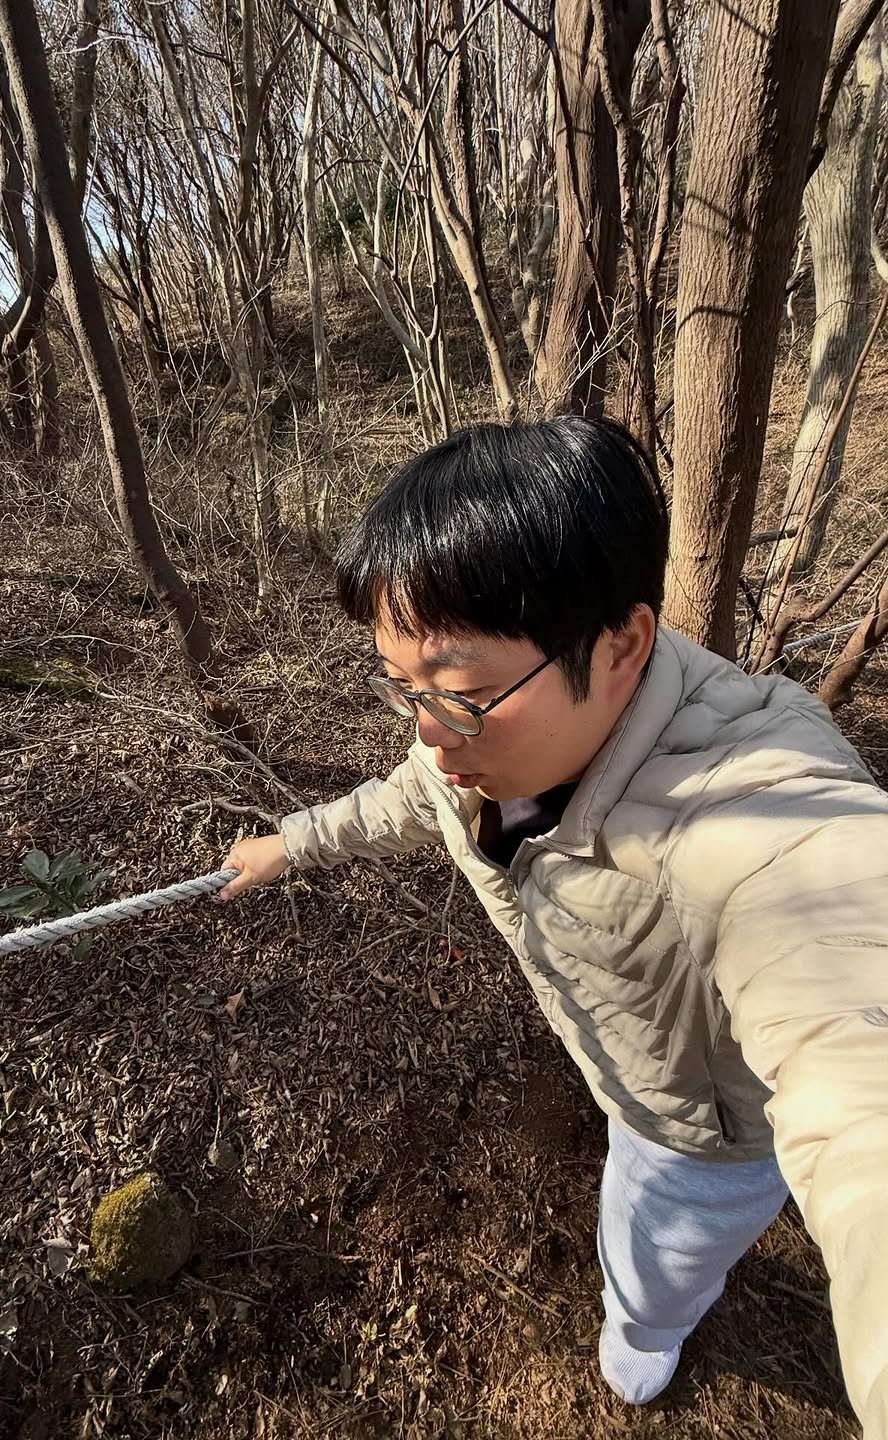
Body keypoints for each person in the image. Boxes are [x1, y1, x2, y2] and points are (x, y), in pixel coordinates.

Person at [216, 418, 888, 1431]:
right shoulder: (483, 744)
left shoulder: (755, 802)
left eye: (464, 693)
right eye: (404, 690)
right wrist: (294, 842)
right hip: (630, 1059)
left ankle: (645, 1336)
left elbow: (856, 1016)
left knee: (655, 1251)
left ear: (622, 644)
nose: (431, 736)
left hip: (700, 1135)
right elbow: (412, 792)